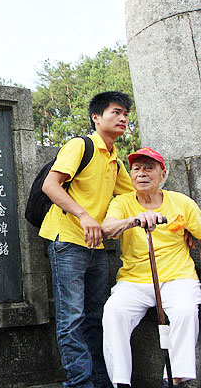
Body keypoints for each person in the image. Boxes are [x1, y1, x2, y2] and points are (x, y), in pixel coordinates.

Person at [39, 91, 134, 387]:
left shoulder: (115, 161)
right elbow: (50, 186)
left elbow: (134, 198)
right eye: (116, 112)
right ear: (96, 117)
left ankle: (100, 381)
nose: (122, 119)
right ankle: (80, 384)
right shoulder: (81, 145)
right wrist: (84, 215)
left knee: (96, 317)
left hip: (98, 247)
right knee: (72, 319)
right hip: (67, 241)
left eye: (125, 115)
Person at [101, 147, 201, 388]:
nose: (142, 173)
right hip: (133, 281)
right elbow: (107, 228)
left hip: (179, 277)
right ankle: (120, 382)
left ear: (162, 173)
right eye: (136, 169)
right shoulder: (122, 202)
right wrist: (134, 220)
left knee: (187, 311)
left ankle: (174, 379)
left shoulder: (182, 202)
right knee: (114, 311)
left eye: (149, 168)